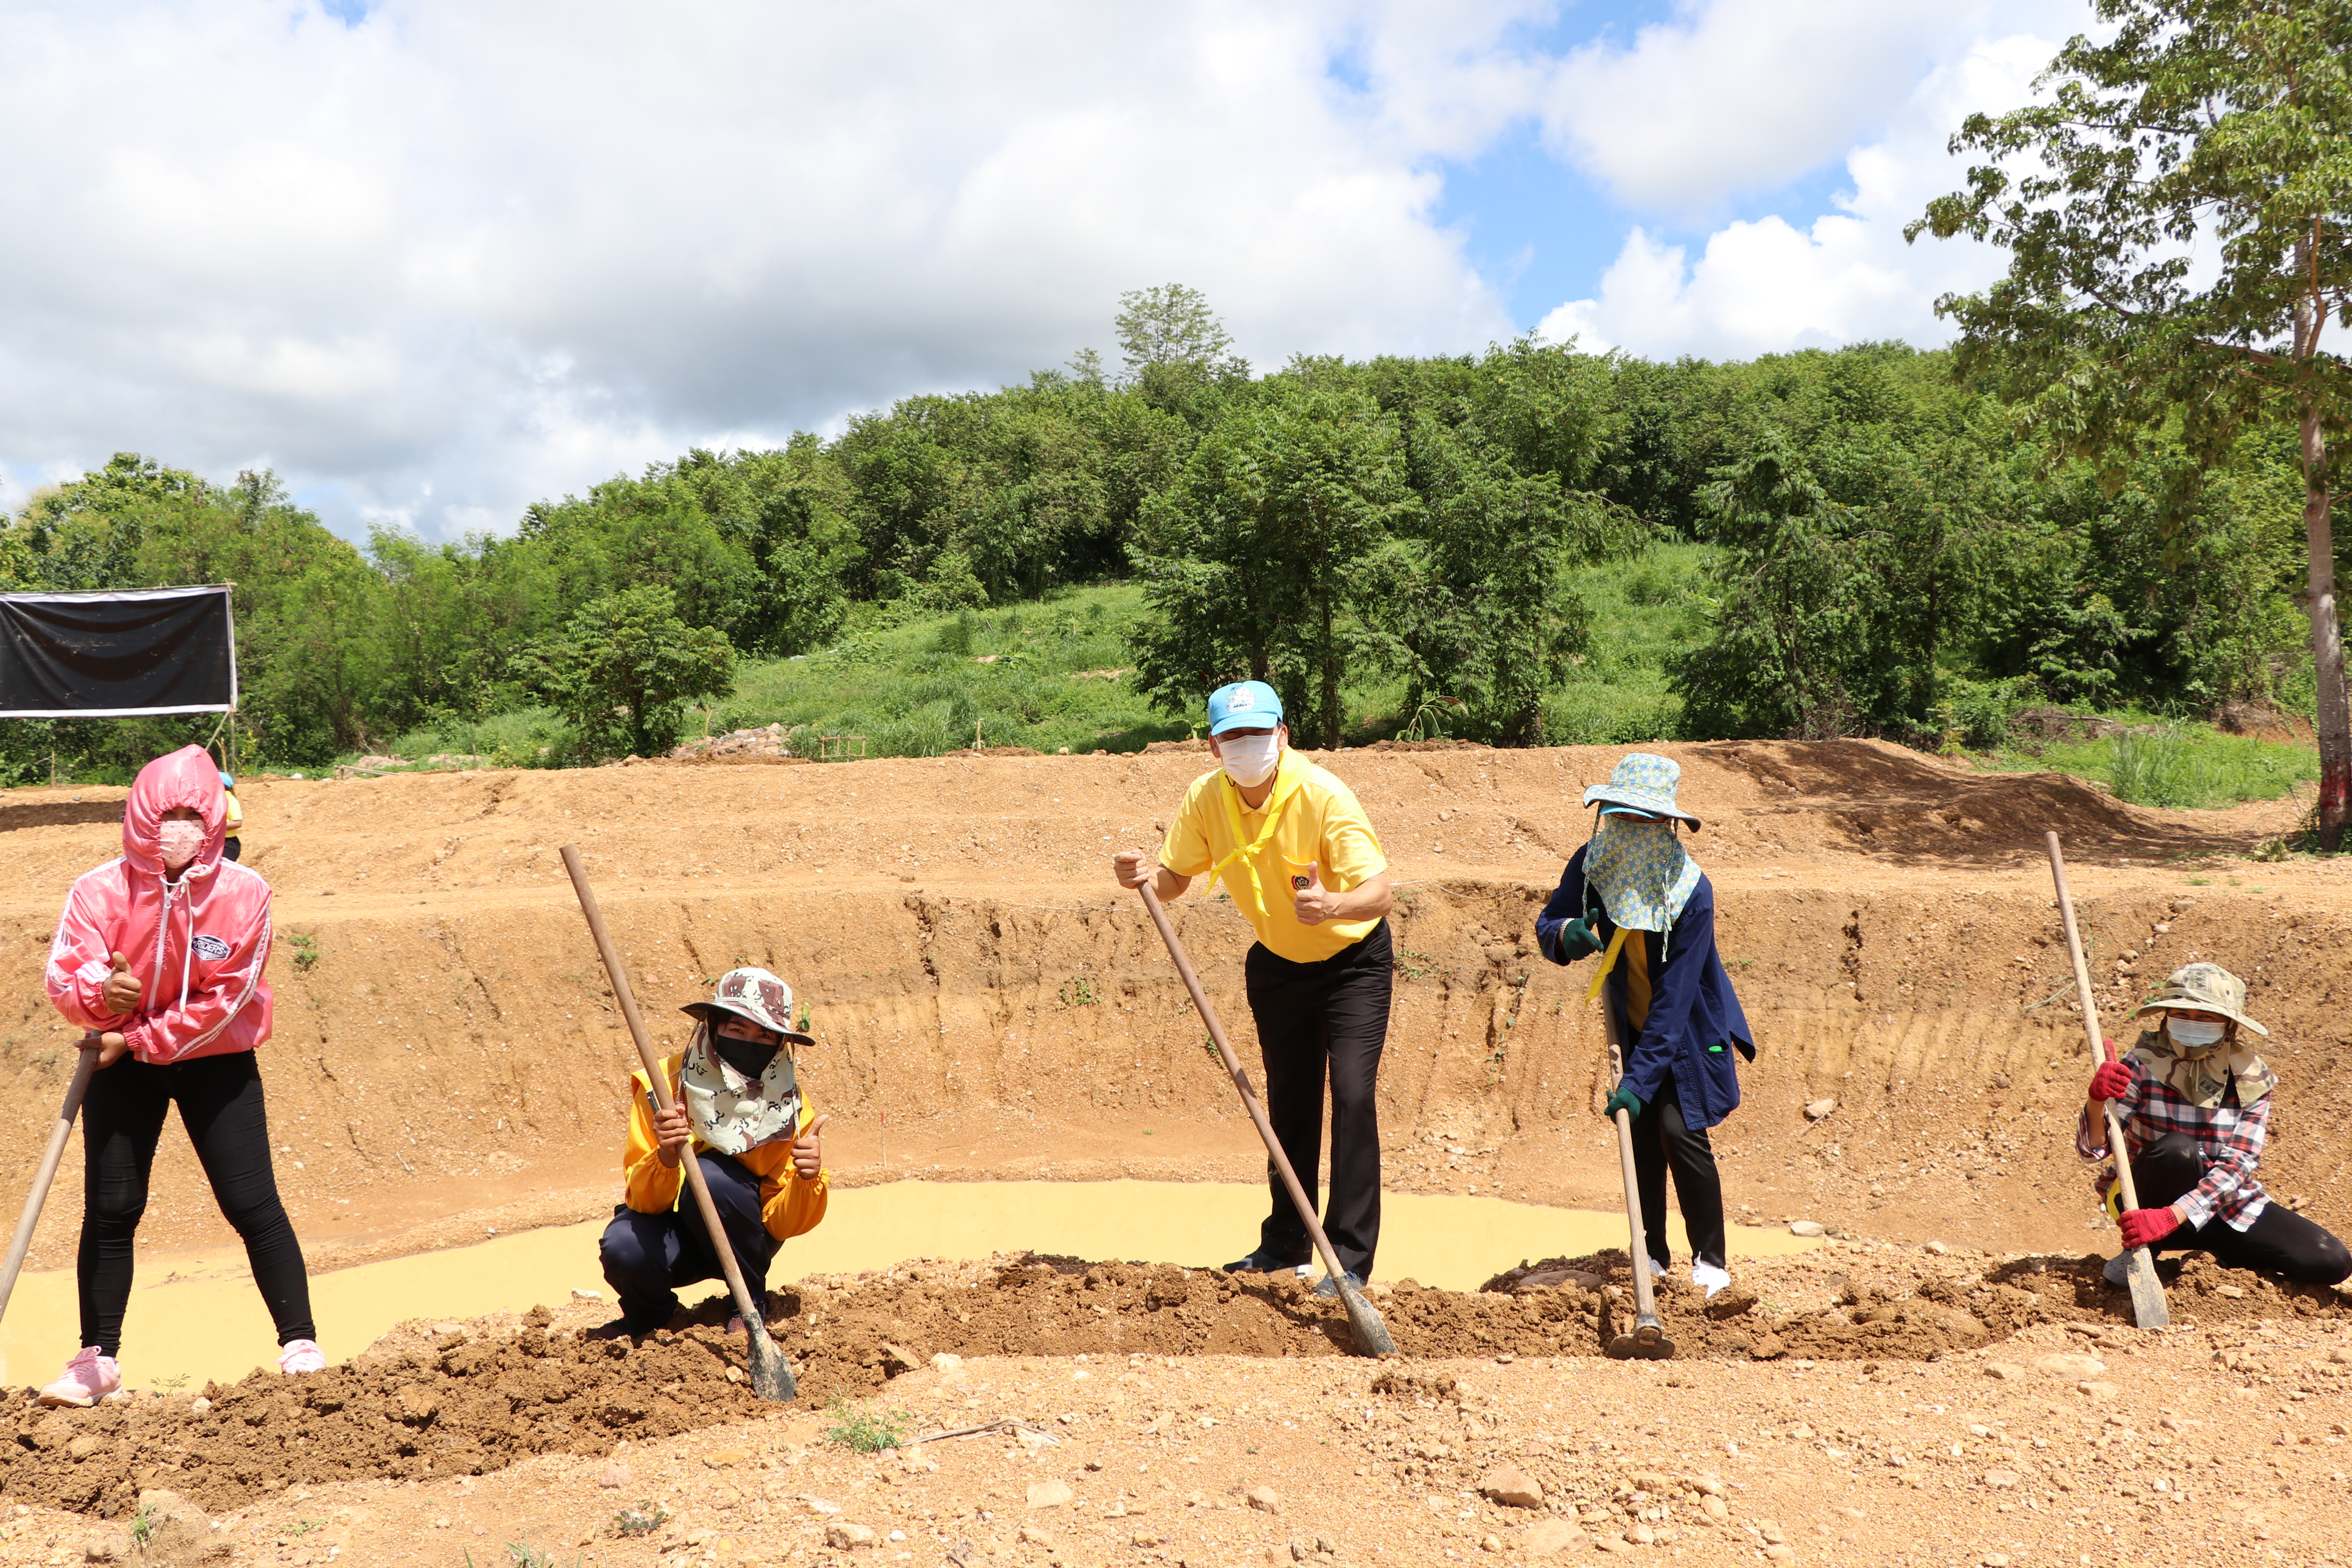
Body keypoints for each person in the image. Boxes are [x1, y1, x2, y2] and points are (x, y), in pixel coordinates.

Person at [40, 744, 318, 1405]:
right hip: (120, 1061)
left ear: (218, 819)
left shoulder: (246, 895)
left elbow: (227, 1002)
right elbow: (65, 976)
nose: (180, 828)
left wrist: (131, 1035)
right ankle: (96, 1360)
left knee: (251, 1204)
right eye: (168, 814)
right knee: (112, 1209)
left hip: (212, 1062)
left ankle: (300, 1344)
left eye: (196, 814)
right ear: (140, 815)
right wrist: (101, 996)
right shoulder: (97, 890)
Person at [1111, 680, 1394, 1296]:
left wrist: (1334, 903)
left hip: (1353, 964)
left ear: (1283, 735)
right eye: (1233, 737)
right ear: (1213, 746)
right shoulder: (1206, 799)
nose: (1247, 746)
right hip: (1278, 966)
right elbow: (1174, 881)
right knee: (1289, 1107)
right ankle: (1285, 1246)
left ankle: (1349, 1262)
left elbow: (1381, 892)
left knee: (1350, 1095)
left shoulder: (1323, 795)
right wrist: (1141, 878)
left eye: (1258, 734)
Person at [1535, 753, 1753, 1299]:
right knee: (1643, 1136)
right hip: (1631, 1025)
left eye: (1643, 820)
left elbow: (1676, 1002)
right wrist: (1567, 935)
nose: (1629, 829)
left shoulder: (1691, 893)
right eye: (1621, 817)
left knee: (1679, 1132)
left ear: (1666, 825)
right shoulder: (1593, 864)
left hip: (1686, 1033)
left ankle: (1711, 1261)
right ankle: (1652, 1254)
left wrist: (1636, 1081)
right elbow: (1549, 922)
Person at [2084, 962, 2350, 1286]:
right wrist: (2097, 1101)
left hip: (2221, 1203)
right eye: (2182, 1015)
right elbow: (2093, 1149)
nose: (2192, 1023)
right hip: (2146, 1204)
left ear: (2229, 1025)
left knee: (2331, 1262)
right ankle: (2142, 1254)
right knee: (2177, 1150)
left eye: (2206, 1017)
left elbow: (2239, 1163)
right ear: (2167, 1016)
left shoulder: (2252, 1077)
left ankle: (2223, 1253)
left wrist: (2176, 1215)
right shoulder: (2141, 1064)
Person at [598, 967, 831, 1337]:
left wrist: (807, 1180)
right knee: (624, 1246)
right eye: (738, 1030)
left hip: (745, 1238)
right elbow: (644, 1204)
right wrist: (666, 1157)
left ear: (780, 1045)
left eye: (764, 1036)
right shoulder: (663, 1086)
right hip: (671, 1238)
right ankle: (650, 1320)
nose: (749, 1042)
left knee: (711, 1176)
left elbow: (782, 1225)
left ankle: (749, 1304)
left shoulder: (789, 1107)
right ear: (712, 1026)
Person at [218, 769, 243, 864]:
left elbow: (238, 823)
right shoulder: (217, 801)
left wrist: (216, 827)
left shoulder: (230, 801)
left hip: (228, 844)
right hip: (217, 842)